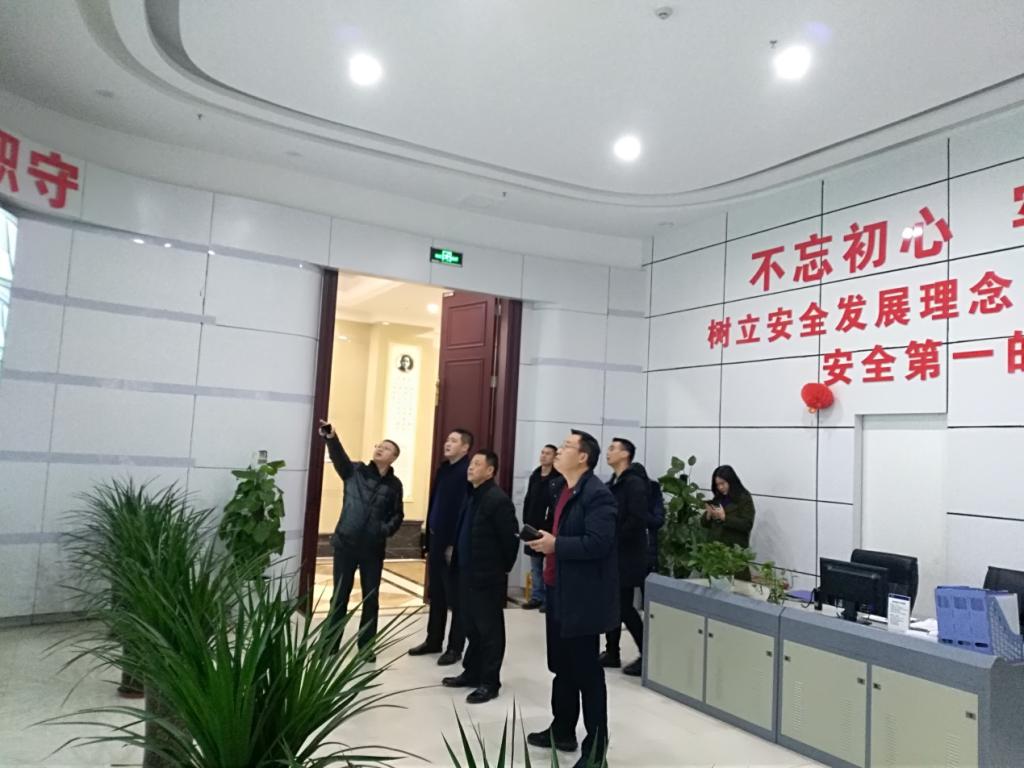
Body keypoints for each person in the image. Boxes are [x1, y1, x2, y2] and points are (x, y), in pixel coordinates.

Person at [527, 430, 618, 768]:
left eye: (566, 446)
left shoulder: (598, 495)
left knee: (587, 674)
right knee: (562, 668)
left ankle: (596, 751)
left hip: (582, 598)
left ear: (583, 457)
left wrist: (556, 545)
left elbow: (599, 543)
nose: (559, 450)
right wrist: (547, 542)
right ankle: (562, 729)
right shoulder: (562, 488)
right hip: (558, 590)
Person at [320, 419, 405, 658]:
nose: (380, 449)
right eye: (379, 445)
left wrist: (383, 530)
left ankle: (366, 648)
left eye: (386, 448)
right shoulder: (355, 471)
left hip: (373, 549)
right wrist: (332, 438)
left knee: (371, 598)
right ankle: (329, 645)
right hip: (346, 544)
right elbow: (339, 459)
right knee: (339, 597)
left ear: (393, 458)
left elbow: (398, 514)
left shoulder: (395, 485)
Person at [441, 450, 520, 703]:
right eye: (471, 463)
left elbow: (510, 541)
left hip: (487, 577)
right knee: (471, 627)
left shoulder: (497, 500)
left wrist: (498, 570)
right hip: (466, 574)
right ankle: (472, 672)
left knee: (489, 631)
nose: (471, 467)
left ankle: (489, 681)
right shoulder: (472, 495)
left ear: (490, 471)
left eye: (477, 464)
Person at [409, 429, 473, 664]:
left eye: (453, 441)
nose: (447, 443)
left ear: (465, 447)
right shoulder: (444, 469)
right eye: (447, 440)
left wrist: (454, 544)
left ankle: (455, 648)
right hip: (436, 540)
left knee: (455, 598)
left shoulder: (467, 473)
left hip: (452, 544)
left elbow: (463, 513)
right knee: (436, 594)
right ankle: (433, 640)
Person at [600, 437, 649, 677]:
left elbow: (637, 520)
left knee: (624, 607)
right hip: (613, 554)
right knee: (613, 604)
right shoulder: (613, 482)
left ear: (625, 454)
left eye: (613, 449)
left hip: (628, 556)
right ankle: (612, 652)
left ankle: (646, 654)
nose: (608, 452)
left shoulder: (634, 484)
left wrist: (614, 537)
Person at [521, 444, 560, 612]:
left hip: (549, 527)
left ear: (555, 457)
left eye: (548, 453)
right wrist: (526, 518)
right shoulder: (535, 475)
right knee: (535, 564)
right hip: (533, 524)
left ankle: (549, 599)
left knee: (550, 564)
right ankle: (537, 596)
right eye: (542, 452)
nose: (543, 456)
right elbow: (528, 498)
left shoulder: (557, 478)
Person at [701, 465, 756, 580]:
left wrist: (725, 518)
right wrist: (708, 514)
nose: (720, 487)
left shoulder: (744, 498)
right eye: (717, 484)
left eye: (723, 483)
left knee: (737, 585)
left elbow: (747, 524)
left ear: (731, 481)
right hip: (715, 552)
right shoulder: (718, 498)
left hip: (734, 553)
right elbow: (704, 524)